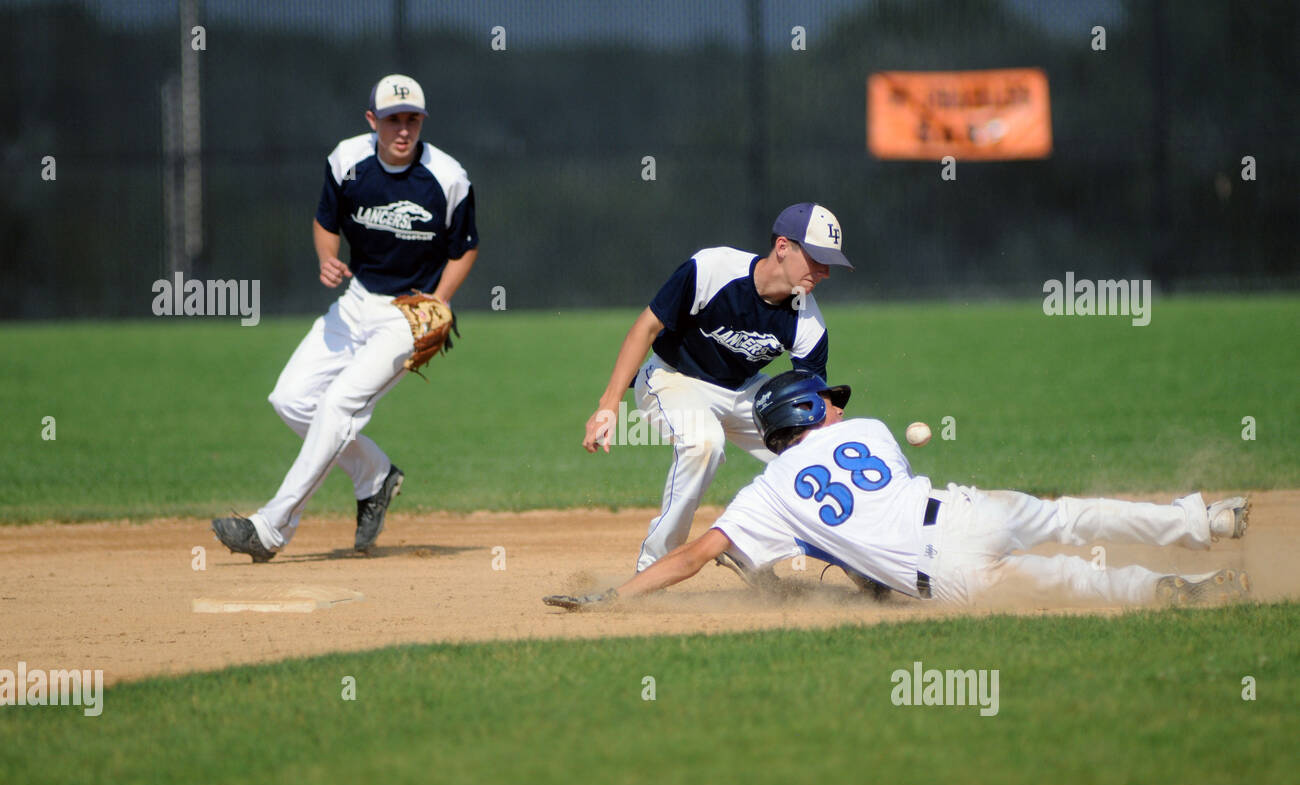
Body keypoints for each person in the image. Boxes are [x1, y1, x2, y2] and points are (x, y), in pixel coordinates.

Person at [546, 370, 1252, 610]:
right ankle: (1201, 520)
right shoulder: (877, 430)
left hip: (944, 570)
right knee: (1072, 517)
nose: (839, 406)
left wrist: (618, 596)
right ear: (801, 413)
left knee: (1068, 579)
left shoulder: (762, 496)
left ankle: (1168, 592)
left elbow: (695, 556)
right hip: (970, 507)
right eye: (826, 401)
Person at [212, 74, 478, 562]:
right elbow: (325, 222)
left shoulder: (448, 177)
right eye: (393, 118)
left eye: (412, 119)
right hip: (356, 303)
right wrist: (326, 256)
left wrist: (439, 300)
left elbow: (465, 249)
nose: (403, 128)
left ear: (422, 121)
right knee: (289, 398)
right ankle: (374, 474)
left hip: (406, 315)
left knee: (337, 405)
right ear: (372, 119)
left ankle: (270, 528)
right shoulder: (347, 161)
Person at [581, 203, 853, 572]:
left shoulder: (809, 323)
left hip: (744, 391)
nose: (824, 272)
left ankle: (842, 562)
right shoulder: (713, 269)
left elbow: (812, 403)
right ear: (783, 247)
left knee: (812, 459)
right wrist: (609, 404)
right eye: (816, 258)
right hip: (670, 378)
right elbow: (645, 328)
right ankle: (654, 567)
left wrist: (826, 443)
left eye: (829, 263)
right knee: (703, 443)